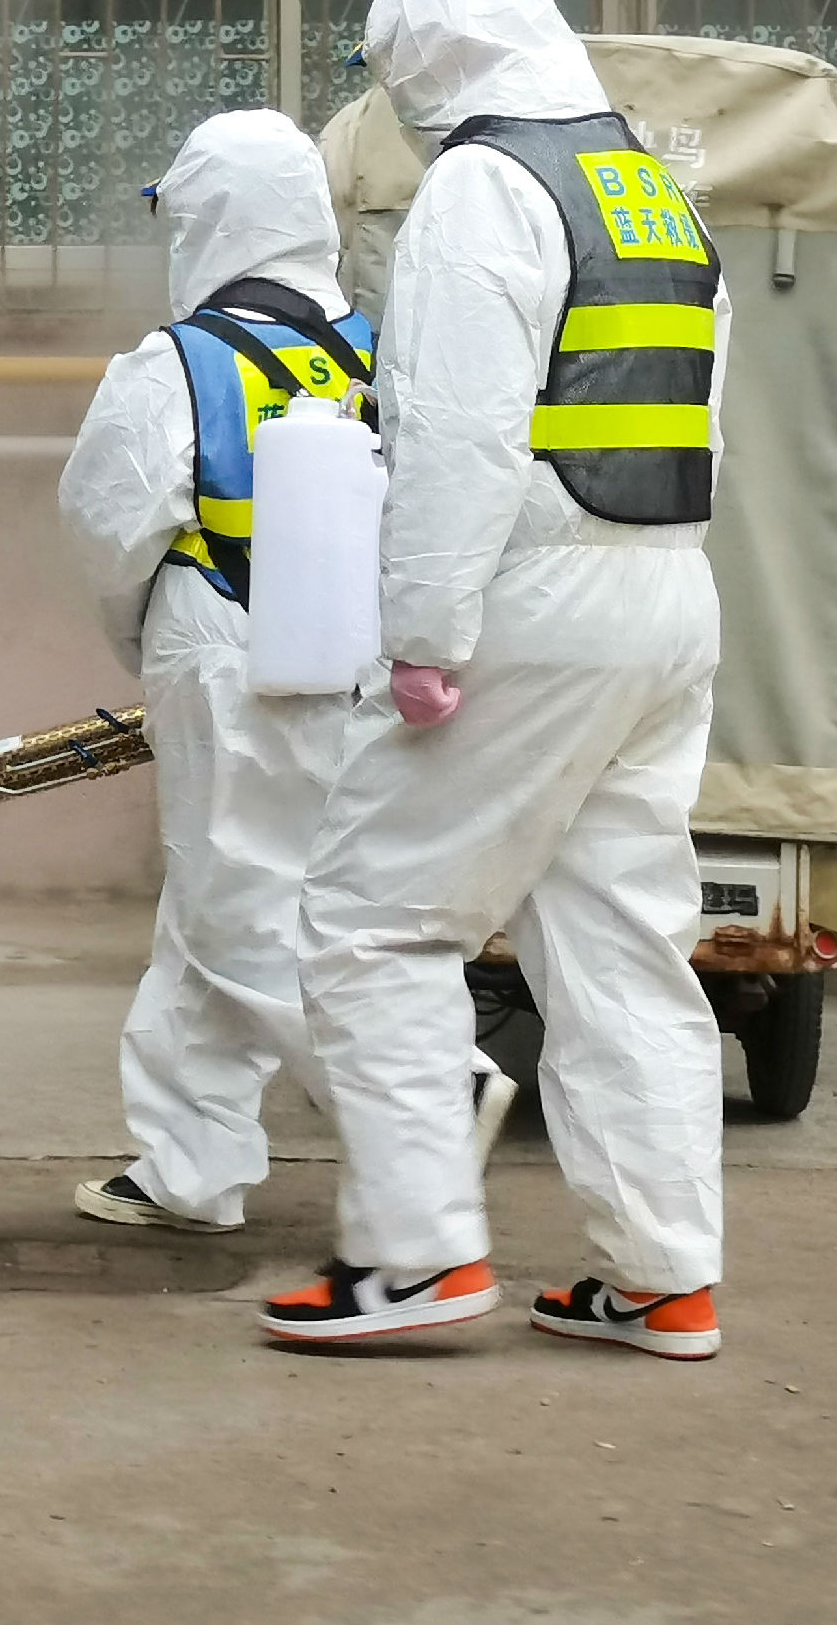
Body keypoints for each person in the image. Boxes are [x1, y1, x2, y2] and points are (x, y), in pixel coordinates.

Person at [260, 0, 730, 1359]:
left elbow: (457, 433)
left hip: (535, 595)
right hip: (667, 590)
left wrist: (423, 634)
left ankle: (416, 1256)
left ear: (432, 52)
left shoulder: (484, 184)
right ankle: (665, 1276)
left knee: (371, 918)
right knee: (621, 941)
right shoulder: (647, 187)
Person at [59, 109, 514, 1236]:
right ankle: (189, 1165)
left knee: (240, 911)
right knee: (216, 905)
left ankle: (433, 1093)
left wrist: (145, 652)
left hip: (226, 655)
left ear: (209, 221)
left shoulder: (177, 363)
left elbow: (110, 528)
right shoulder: (379, 350)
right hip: (366, 665)